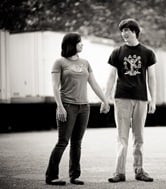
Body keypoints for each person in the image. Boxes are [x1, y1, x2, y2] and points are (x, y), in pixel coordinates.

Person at [45, 32, 110, 185]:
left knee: (77, 142)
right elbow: (55, 86)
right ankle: (51, 176)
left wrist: (105, 101)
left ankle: (75, 175)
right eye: (79, 42)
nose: (82, 44)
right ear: (71, 44)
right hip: (67, 106)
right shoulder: (59, 62)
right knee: (63, 142)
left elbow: (93, 83)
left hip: (84, 107)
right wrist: (60, 106)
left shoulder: (85, 62)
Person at [102, 18, 157, 183]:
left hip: (141, 99)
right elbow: (111, 77)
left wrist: (153, 100)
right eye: (122, 31)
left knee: (139, 137)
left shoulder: (148, 53)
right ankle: (119, 172)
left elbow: (152, 78)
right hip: (122, 98)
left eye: (127, 30)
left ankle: (139, 170)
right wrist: (106, 98)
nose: (124, 34)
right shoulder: (117, 52)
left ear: (135, 31)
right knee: (122, 138)